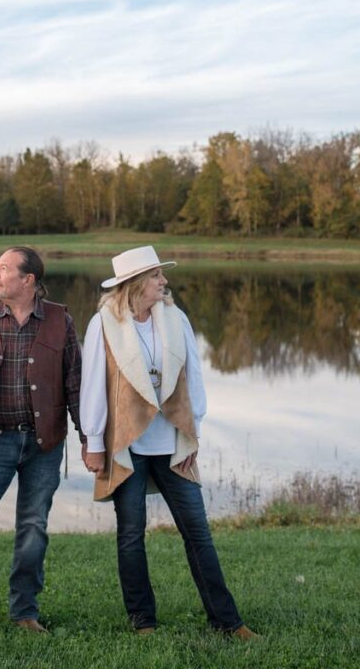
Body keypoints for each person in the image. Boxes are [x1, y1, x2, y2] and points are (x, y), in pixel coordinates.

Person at [80, 245, 258, 639]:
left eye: (162, 275)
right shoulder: (104, 324)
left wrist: (194, 428)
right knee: (130, 535)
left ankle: (228, 622)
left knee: (197, 532)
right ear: (136, 283)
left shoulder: (176, 319)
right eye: (157, 275)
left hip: (173, 442)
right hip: (127, 443)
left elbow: (193, 376)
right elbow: (92, 384)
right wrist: (93, 440)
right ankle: (143, 621)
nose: (164, 281)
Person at [0, 246, 83, 638]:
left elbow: (75, 385)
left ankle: (25, 612)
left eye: (3, 269)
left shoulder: (60, 320)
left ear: (28, 280)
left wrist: (89, 441)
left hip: (44, 445)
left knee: (33, 527)